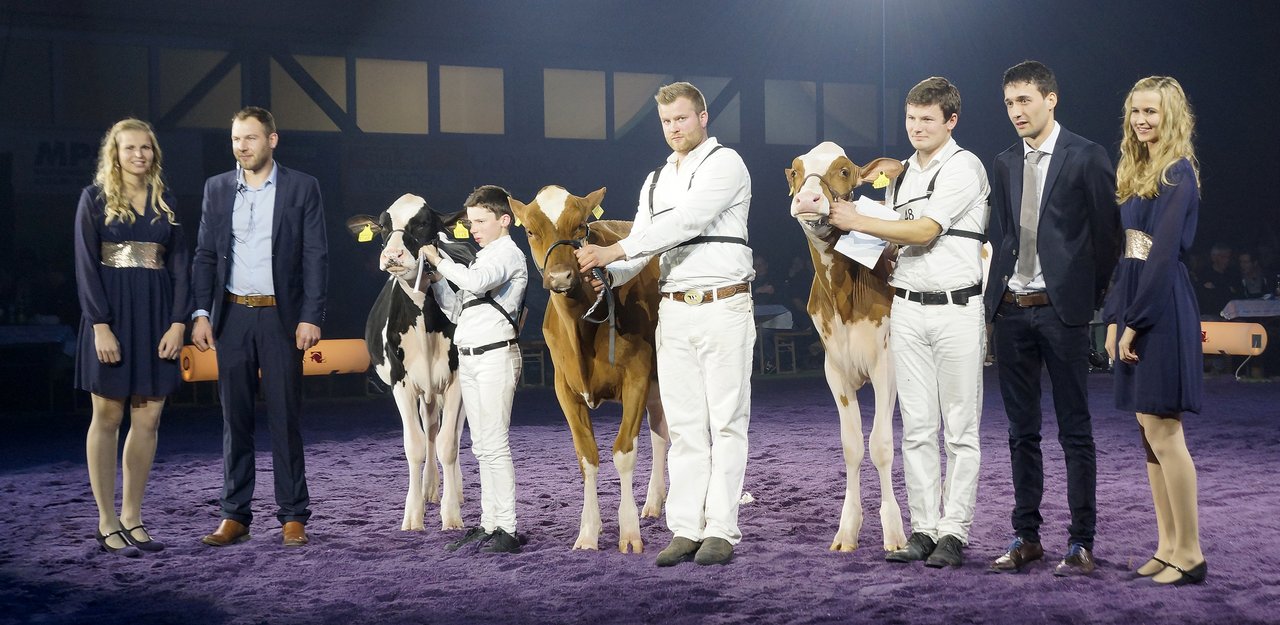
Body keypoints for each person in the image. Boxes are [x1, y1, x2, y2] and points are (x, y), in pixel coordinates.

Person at [575, 81, 754, 566]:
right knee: (686, 424)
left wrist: (615, 248)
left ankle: (721, 528)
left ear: (702, 118)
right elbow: (646, 246)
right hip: (674, 309)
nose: (674, 128)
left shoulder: (726, 164)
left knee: (726, 421)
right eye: (666, 121)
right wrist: (607, 274)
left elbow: (688, 221)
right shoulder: (655, 180)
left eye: (682, 118)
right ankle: (685, 528)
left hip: (724, 305)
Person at [828, 76, 988, 569]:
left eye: (927, 120)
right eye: (911, 118)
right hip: (908, 307)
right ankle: (923, 528)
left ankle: (955, 532)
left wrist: (857, 220)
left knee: (959, 427)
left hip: (958, 308)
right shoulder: (901, 176)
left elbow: (923, 230)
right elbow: (893, 241)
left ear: (951, 121)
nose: (917, 128)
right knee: (917, 425)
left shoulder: (965, 167)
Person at [982, 61, 1121, 576]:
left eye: (1025, 101)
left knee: (1075, 431)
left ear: (1051, 99)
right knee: (1021, 433)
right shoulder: (1004, 162)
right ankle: (1027, 536)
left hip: (1063, 314)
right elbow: (1006, 236)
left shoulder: (1087, 156)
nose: (1017, 112)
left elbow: (1109, 237)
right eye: (1010, 103)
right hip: (1013, 311)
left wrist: (1087, 298)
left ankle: (1081, 541)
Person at [192, 107, 328, 548]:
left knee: (286, 417)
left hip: (281, 318)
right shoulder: (215, 188)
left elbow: (315, 256)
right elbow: (205, 256)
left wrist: (311, 315)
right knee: (236, 419)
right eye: (236, 139)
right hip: (231, 316)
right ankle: (235, 515)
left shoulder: (302, 187)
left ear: (272, 140)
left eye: (250, 138)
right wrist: (200, 313)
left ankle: (293, 516)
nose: (242, 147)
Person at [1104, 76, 1207, 586]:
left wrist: (1135, 323)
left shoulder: (1177, 171)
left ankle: (1191, 552)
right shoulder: (1138, 167)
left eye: (1152, 111)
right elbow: (1129, 254)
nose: (1142, 120)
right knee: (1148, 434)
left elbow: (1162, 257)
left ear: (1171, 115)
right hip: (1136, 300)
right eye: (1136, 111)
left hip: (1162, 307)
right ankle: (1167, 546)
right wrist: (1113, 319)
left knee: (1165, 432)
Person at [74, 118, 190, 556]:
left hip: (158, 318)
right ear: (115, 153)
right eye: (129, 148)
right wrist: (99, 324)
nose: (138, 154)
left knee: (148, 420)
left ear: (153, 153)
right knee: (106, 419)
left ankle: (132, 518)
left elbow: (181, 267)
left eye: (145, 147)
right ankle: (106, 522)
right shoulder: (94, 199)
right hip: (112, 319)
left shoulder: (166, 203)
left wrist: (179, 321)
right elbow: (86, 266)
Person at [420, 185, 529, 554]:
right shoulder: (483, 257)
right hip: (470, 357)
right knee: (481, 446)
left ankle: (508, 529)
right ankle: (489, 523)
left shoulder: (508, 254)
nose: (474, 229)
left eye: (481, 221)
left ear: (504, 220)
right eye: (470, 223)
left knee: (495, 444)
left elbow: (477, 283)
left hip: (496, 356)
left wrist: (440, 262)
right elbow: (457, 310)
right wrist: (437, 282)